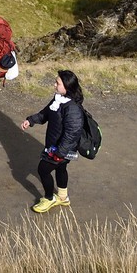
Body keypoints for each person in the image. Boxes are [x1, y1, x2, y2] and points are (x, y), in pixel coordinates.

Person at [20, 68, 86, 212]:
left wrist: (59, 153)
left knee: (43, 170)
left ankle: (49, 199)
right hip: (55, 146)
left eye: (57, 83)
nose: (54, 85)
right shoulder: (58, 100)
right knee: (61, 168)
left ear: (67, 87)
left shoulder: (73, 109)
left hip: (61, 149)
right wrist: (30, 120)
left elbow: (72, 134)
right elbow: (45, 114)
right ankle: (63, 197)